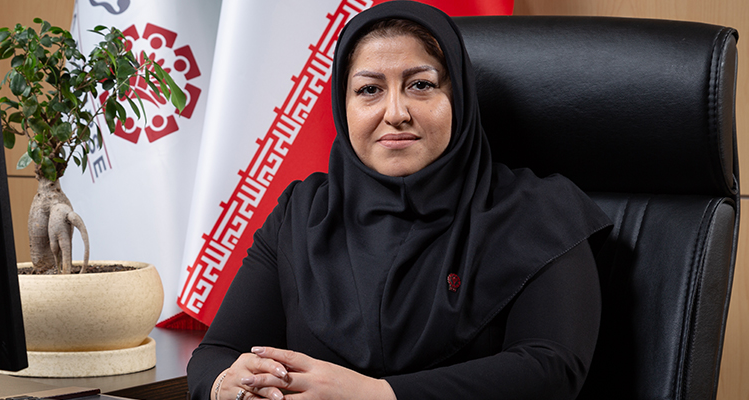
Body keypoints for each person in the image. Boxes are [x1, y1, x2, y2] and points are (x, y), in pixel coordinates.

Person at [186, 2, 612, 399]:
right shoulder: (301, 213)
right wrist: (228, 385)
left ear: (459, 98)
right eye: (369, 89)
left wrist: (376, 394)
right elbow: (216, 354)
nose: (395, 113)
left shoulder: (541, 211)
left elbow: (551, 368)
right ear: (343, 105)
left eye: (421, 85)